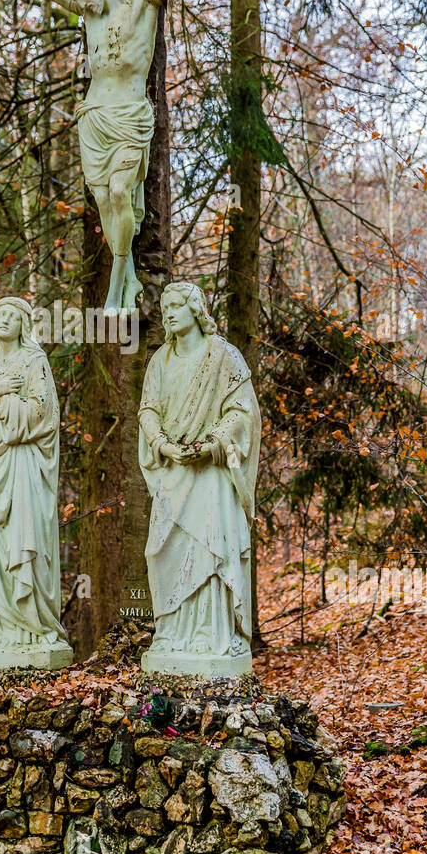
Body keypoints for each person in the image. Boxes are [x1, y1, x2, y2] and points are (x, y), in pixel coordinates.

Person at [0, 0, 261, 314]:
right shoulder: (90, 12)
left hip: (129, 118)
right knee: (106, 204)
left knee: (121, 191)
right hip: (94, 120)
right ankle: (128, 276)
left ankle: (117, 288)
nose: (81, 9)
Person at [138, 281, 261, 677]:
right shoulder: (160, 360)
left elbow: (242, 412)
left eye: (177, 305)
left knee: (210, 546)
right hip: (172, 468)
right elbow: (148, 409)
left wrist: (213, 443)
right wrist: (162, 443)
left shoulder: (224, 356)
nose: (169, 313)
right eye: (165, 307)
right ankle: (171, 631)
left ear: (196, 309)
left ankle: (212, 633)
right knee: (161, 550)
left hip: (210, 472)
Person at [0, 297, 73, 669]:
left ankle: (33, 626)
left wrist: (4, 407)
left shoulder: (34, 361)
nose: (5, 320)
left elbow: (43, 414)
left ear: (24, 324)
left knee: (23, 541)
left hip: (22, 466)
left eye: (12, 315)